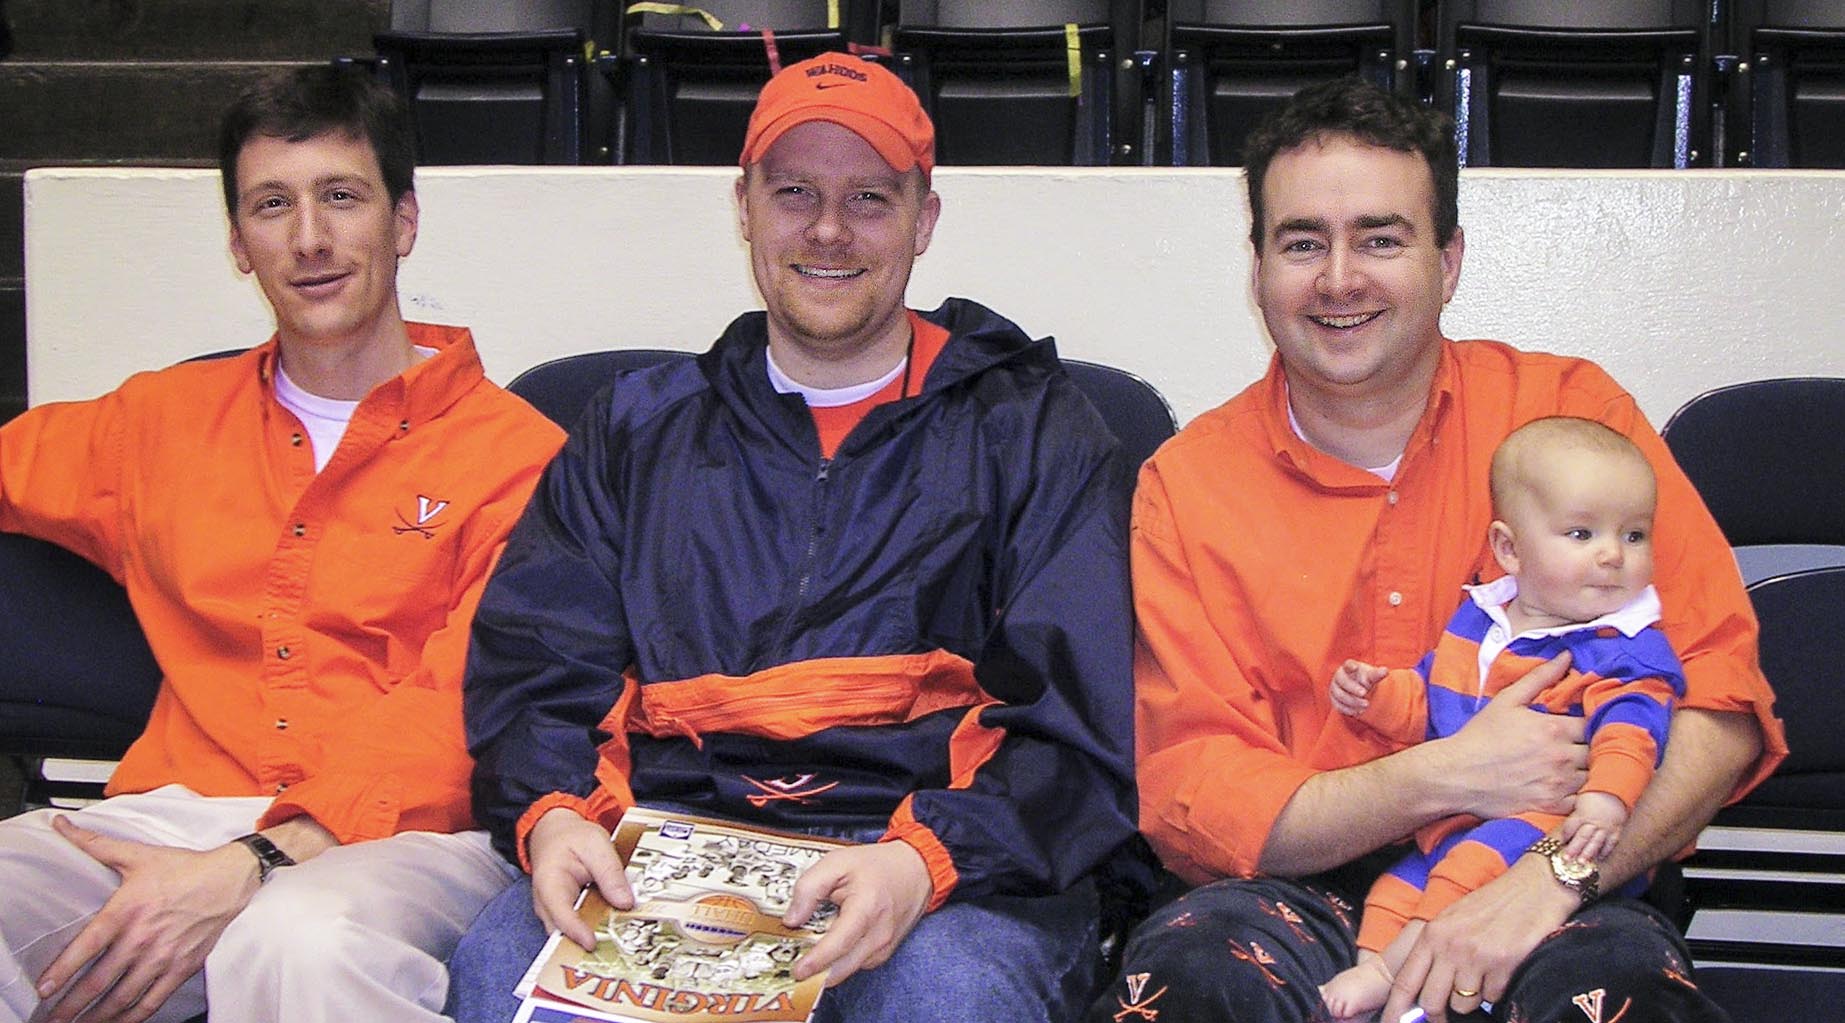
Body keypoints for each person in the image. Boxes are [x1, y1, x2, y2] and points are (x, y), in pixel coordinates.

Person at [449, 52, 1138, 1023]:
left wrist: (922, 860)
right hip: (671, 851)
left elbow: (1080, 723)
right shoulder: (631, 434)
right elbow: (537, 671)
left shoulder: (1033, 430)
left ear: (923, 220)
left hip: (946, 872)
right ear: (744, 207)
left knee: (945, 994)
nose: (827, 229)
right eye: (795, 194)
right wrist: (558, 814)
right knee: (499, 969)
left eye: (869, 198)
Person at [1094, 77, 1786, 1023]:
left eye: (1380, 237)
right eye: (1303, 242)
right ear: (1256, 266)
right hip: (1287, 898)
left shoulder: (1573, 417)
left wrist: (1549, 880)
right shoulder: (1186, 486)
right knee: (1186, 981)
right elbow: (1197, 797)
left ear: (1448, 260)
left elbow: (1721, 702)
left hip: (1555, 872)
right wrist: (1439, 774)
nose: (1340, 278)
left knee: (1615, 995)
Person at [0, 66, 564, 1023]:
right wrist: (217, 857)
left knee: (295, 939)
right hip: (170, 813)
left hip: (412, 839)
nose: (309, 239)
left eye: (341, 197)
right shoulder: (158, 421)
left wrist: (257, 862)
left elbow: (466, 707)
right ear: (237, 242)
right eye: (272, 206)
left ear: (404, 221)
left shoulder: (521, 457)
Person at [1319, 417, 1684, 1021]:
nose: (1613, 554)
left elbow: (1634, 729)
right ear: (1510, 548)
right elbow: (1432, 706)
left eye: (1635, 535)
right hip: (1453, 820)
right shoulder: (1478, 621)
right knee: (1397, 888)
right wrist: (1377, 697)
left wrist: (1607, 802)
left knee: (1461, 875)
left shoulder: (1622, 644)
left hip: (1547, 824)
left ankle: (1404, 991)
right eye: (1582, 532)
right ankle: (1379, 967)